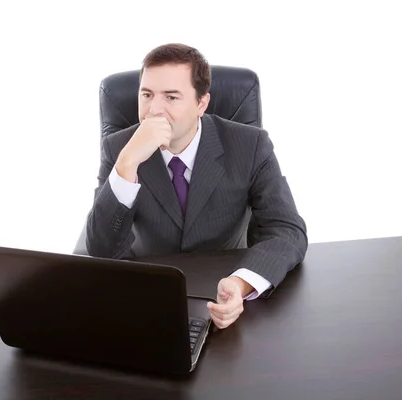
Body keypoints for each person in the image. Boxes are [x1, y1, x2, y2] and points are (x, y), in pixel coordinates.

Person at [85, 43, 307, 329]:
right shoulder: (119, 148)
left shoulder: (250, 145)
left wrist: (242, 283)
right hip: (147, 298)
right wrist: (126, 165)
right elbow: (102, 253)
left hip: (223, 293)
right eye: (147, 95)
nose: (154, 110)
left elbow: (287, 230)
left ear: (201, 103)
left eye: (171, 97)